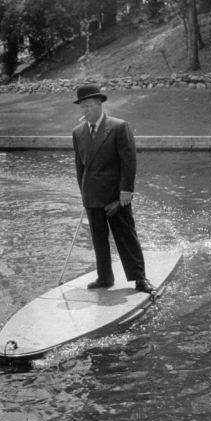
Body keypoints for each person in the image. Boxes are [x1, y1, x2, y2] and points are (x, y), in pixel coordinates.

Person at [71, 83, 156, 294]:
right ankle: (104, 278)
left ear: (100, 104)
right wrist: (84, 194)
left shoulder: (118, 127)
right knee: (98, 239)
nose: (85, 111)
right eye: (82, 107)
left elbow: (128, 162)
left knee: (126, 236)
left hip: (115, 196)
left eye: (89, 106)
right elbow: (80, 167)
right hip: (92, 196)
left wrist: (126, 191)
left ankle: (139, 278)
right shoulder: (78, 132)